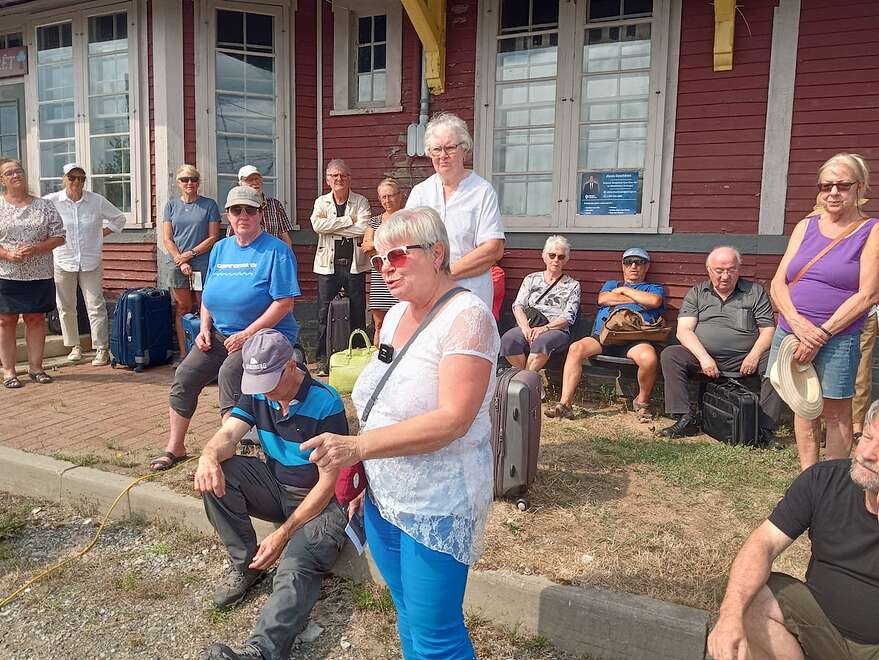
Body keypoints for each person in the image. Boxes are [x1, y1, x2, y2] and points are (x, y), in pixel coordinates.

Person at [300, 207, 500, 659]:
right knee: (407, 612)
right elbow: (383, 399)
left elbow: (454, 420)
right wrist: (364, 470)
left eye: (397, 256)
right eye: (378, 260)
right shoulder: (394, 316)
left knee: (437, 635)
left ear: (437, 254)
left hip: (437, 501)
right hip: (384, 495)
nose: (385, 268)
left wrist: (358, 447)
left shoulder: (468, 318)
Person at [196, 329, 348, 660]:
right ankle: (246, 567)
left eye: (269, 382)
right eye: (258, 383)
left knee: (294, 567)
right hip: (277, 486)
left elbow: (328, 484)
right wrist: (208, 456)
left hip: (321, 504)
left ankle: (261, 652)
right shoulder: (259, 392)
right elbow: (228, 434)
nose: (263, 392)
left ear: (291, 366)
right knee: (218, 472)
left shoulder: (326, 402)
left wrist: (282, 534)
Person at [707, 398, 879, 660]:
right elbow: (763, 543)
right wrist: (730, 615)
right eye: (867, 437)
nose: (867, 453)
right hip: (821, 629)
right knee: (749, 598)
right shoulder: (824, 480)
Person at [149, 186, 300, 471]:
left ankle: (230, 449)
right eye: (236, 210)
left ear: (260, 214)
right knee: (186, 374)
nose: (243, 215)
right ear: (227, 215)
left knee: (230, 372)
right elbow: (208, 295)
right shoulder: (220, 248)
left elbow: (284, 304)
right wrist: (204, 328)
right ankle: (176, 446)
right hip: (220, 333)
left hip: (267, 335)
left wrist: (247, 334)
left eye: (250, 210)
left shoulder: (276, 251)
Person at [768, 153, 879, 471]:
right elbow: (779, 282)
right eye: (826, 185)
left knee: (836, 412)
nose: (833, 192)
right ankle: (808, 478)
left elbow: (867, 294)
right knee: (803, 405)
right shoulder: (805, 226)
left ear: (859, 187)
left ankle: (830, 481)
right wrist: (799, 324)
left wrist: (821, 334)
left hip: (839, 336)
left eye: (842, 185)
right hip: (792, 331)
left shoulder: (871, 231)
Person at [659, 246, 783, 445]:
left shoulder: (755, 292)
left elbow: (768, 330)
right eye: (719, 270)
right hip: (704, 357)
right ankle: (685, 417)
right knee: (671, 355)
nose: (725, 276)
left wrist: (753, 355)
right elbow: (684, 331)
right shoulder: (698, 293)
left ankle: (765, 429)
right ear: (709, 270)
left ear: (739, 270)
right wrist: (704, 358)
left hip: (745, 357)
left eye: (731, 270)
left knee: (775, 361)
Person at [545, 248, 665, 422]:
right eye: (628, 262)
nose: (633, 266)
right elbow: (602, 299)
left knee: (649, 359)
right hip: (603, 337)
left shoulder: (654, 288)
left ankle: (642, 402)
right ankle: (565, 405)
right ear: (622, 266)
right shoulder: (611, 284)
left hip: (634, 339)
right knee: (576, 348)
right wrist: (638, 299)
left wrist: (624, 291)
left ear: (647, 266)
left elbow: (653, 301)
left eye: (639, 262)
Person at [405, 111, 505, 311]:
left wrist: (445, 274)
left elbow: (493, 249)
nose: (443, 156)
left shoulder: (481, 191)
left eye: (450, 148)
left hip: (468, 297)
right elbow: (405, 241)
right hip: (426, 298)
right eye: (436, 149)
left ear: (464, 150)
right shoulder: (420, 193)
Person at [44, 163, 126, 367]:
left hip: (90, 260)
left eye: (81, 178)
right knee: (65, 306)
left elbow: (119, 219)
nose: (77, 182)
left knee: (95, 305)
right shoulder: (52, 201)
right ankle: (74, 346)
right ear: (64, 179)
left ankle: (101, 348)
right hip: (63, 259)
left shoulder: (96, 201)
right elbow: (37, 221)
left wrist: (100, 234)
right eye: (72, 178)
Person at [0, 158, 65, 388]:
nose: (15, 175)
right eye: (9, 173)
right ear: (2, 180)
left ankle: (36, 368)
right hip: (6, 273)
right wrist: (7, 254)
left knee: (36, 319)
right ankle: (9, 371)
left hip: (39, 273)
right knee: (6, 321)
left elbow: (59, 236)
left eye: (18, 171)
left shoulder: (44, 206)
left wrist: (38, 248)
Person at [310, 159, 371, 375]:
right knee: (324, 313)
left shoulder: (360, 201)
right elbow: (317, 226)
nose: (339, 179)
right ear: (327, 179)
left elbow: (363, 228)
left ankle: (358, 357)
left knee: (357, 311)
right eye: (334, 176)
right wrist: (348, 221)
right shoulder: (321, 202)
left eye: (343, 175)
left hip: (353, 265)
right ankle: (323, 360)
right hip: (328, 266)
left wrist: (333, 227)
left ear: (349, 178)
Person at [160, 164, 221, 360]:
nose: (189, 183)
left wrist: (190, 255)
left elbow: (212, 238)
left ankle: (207, 354)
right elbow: (167, 238)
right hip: (178, 265)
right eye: (185, 179)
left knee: (204, 306)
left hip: (201, 264)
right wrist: (180, 260)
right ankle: (185, 354)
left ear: (198, 182)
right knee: (183, 308)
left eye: (193, 179)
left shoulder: (209, 205)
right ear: (178, 182)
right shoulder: (171, 206)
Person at [501, 235, 580, 372]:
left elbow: (569, 317)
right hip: (530, 325)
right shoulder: (531, 279)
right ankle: (529, 380)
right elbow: (518, 305)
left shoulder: (573, 285)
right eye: (552, 255)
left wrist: (545, 329)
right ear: (544, 256)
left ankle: (524, 381)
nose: (556, 260)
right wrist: (525, 327)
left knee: (541, 342)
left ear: (565, 260)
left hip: (555, 329)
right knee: (509, 340)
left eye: (560, 257)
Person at [361, 178, 403, 346]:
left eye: (391, 196)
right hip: (379, 278)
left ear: (400, 196)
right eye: (383, 197)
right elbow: (365, 246)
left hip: (401, 274)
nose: (387, 200)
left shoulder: (406, 219)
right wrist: (391, 248)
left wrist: (376, 245)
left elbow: (405, 247)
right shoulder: (375, 221)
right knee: (379, 325)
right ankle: (378, 362)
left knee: (402, 323)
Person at [236, 165, 294, 249]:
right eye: (250, 180)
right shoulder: (236, 208)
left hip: (274, 254)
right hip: (249, 257)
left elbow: (285, 237)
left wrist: (288, 257)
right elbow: (232, 238)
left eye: (257, 178)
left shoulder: (275, 205)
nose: (255, 182)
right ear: (241, 184)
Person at [853, 306, 878, 439]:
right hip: (827, 314)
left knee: (861, 374)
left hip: (864, 312)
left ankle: (857, 427)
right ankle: (826, 426)